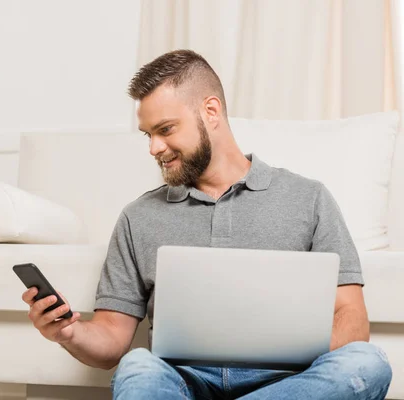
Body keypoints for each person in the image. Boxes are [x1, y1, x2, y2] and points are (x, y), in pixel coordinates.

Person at [21, 49, 392, 399]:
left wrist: (288, 356)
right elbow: (112, 341)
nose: (154, 148)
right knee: (136, 364)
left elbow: (353, 321)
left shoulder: (308, 198)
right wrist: (69, 332)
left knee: (367, 363)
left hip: (288, 379)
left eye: (165, 129)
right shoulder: (139, 216)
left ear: (211, 111)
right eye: (148, 134)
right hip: (184, 380)